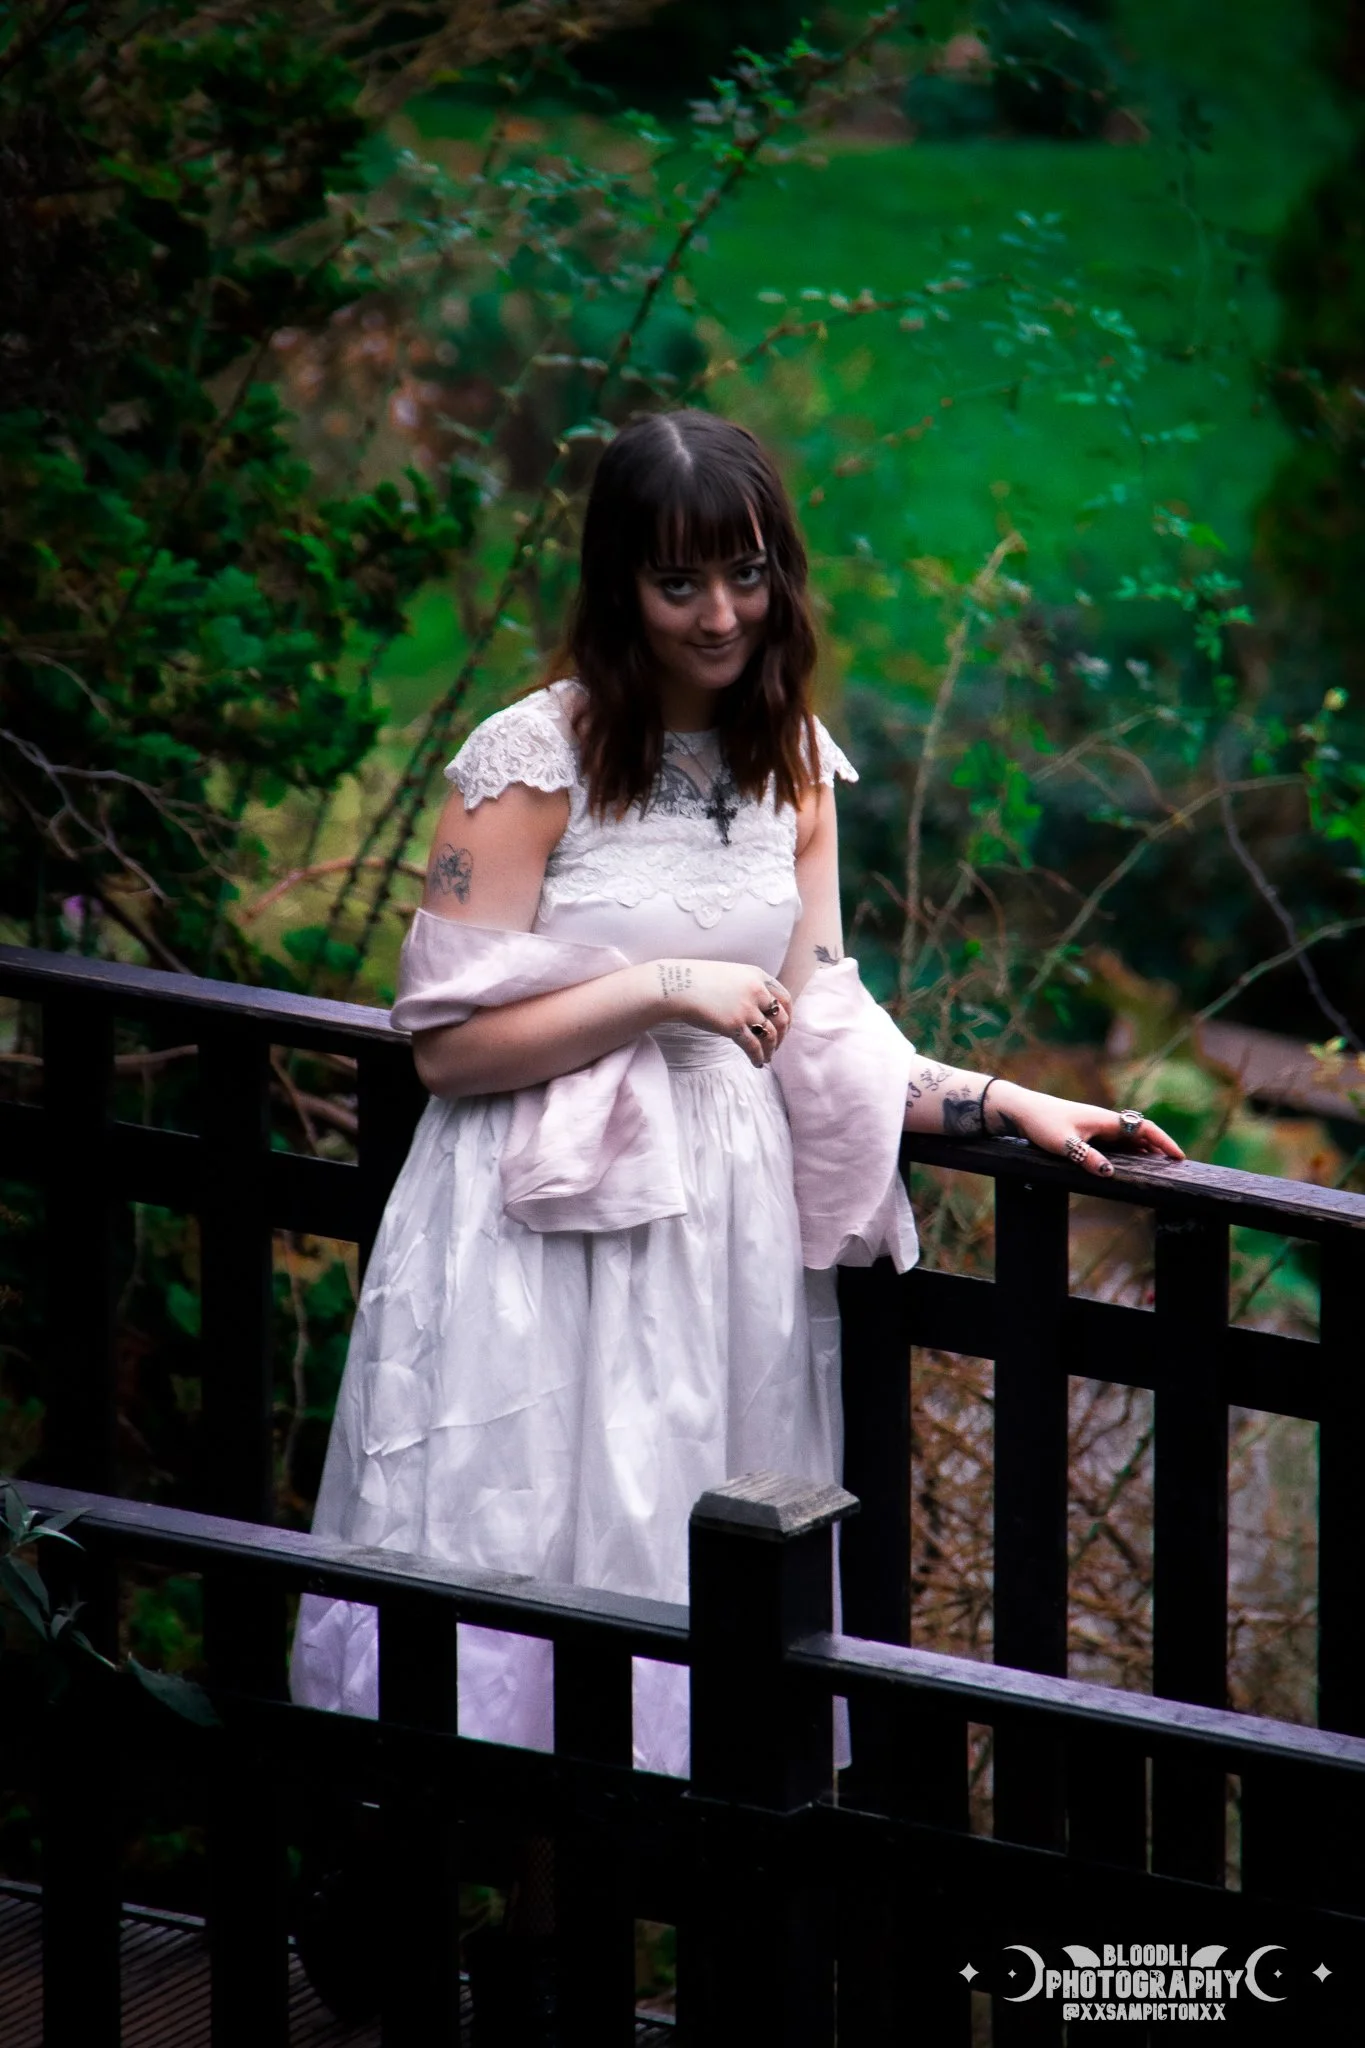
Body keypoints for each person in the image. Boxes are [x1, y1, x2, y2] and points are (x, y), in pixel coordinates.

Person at [288, 408, 1181, 2007]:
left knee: (663, 1570)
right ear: (617, 583)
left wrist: (998, 1102)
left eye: (748, 577)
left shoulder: (791, 767)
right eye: (680, 582)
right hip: (534, 1228)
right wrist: (659, 989)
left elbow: (821, 1015)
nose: (718, 616)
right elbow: (449, 1042)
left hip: (715, 1241)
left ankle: (566, 1952)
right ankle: (457, 1913)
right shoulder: (527, 762)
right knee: (525, 1552)